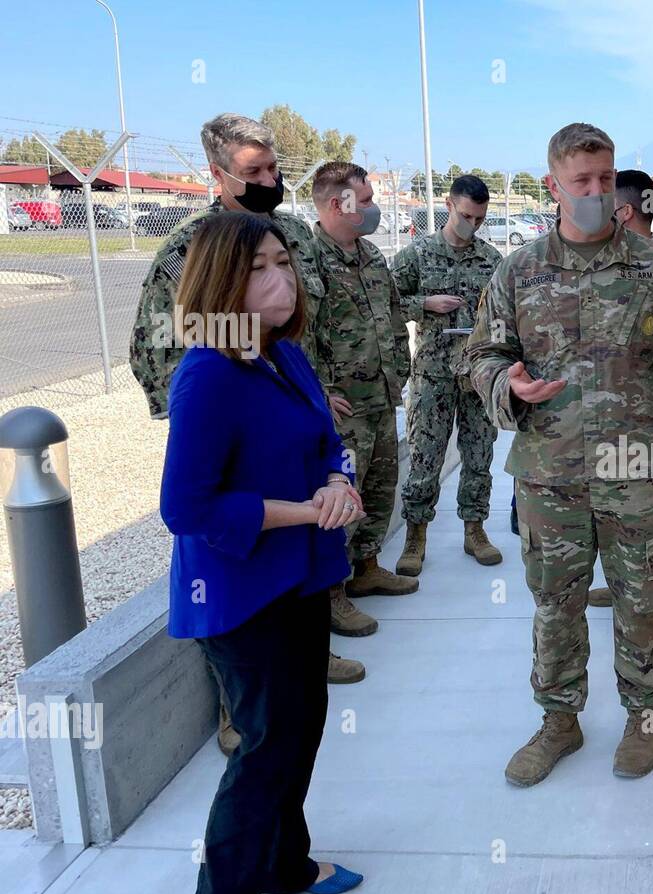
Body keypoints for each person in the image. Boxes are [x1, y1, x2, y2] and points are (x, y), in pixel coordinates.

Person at [466, 123, 653, 787]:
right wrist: (509, 384)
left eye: (603, 179)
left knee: (643, 600)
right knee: (554, 605)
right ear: (552, 184)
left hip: (639, 472)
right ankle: (559, 720)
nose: (595, 192)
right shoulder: (517, 272)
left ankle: (644, 715)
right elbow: (481, 356)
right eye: (580, 181)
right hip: (549, 474)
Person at [129, 112, 363, 749]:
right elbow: (157, 347)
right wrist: (222, 404)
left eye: (274, 168)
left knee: (293, 704)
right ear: (220, 173)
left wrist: (309, 395)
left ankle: (308, 648)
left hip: (289, 405)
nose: (269, 180)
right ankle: (238, 711)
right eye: (254, 171)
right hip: (239, 436)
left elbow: (313, 319)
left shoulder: (285, 232)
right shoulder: (194, 246)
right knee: (265, 717)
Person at [160, 212, 365, 894]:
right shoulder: (208, 375)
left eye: (283, 260)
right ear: (221, 283)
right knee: (264, 752)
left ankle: (284, 862)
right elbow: (186, 507)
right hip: (243, 595)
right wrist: (307, 512)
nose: (281, 276)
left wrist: (341, 485)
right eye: (258, 267)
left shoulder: (284, 354)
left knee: (299, 728)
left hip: (300, 581)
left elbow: (327, 442)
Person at [307, 161, 416, 638]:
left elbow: (393, 316)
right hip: (341, 409)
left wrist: (401, 369)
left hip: (381, 397)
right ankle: (332, 594)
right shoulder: (307, 259)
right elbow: (298, 336)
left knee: (379, 487)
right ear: (338, 203)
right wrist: (320, 392)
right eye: (365, 201)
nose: (372, 209)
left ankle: (367, 567)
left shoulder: (370, 255)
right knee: (341, 497)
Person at [587, 169, 653, 623]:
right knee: (629, 508)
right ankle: (629, 584)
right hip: (631, 413)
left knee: (651, 510)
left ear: (624, 210)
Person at [391, 174, 503, 575]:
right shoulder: (417, 255)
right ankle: (415, 536)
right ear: (448, 205)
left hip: (476, 377)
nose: (472, 225)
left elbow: (509, 314)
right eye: (467, 216)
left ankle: (475, 530)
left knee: (479, 456)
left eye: (480, 219)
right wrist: (425, 304)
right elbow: (387, 302)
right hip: (433, 376)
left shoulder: (491, 261)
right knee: (424, 457)